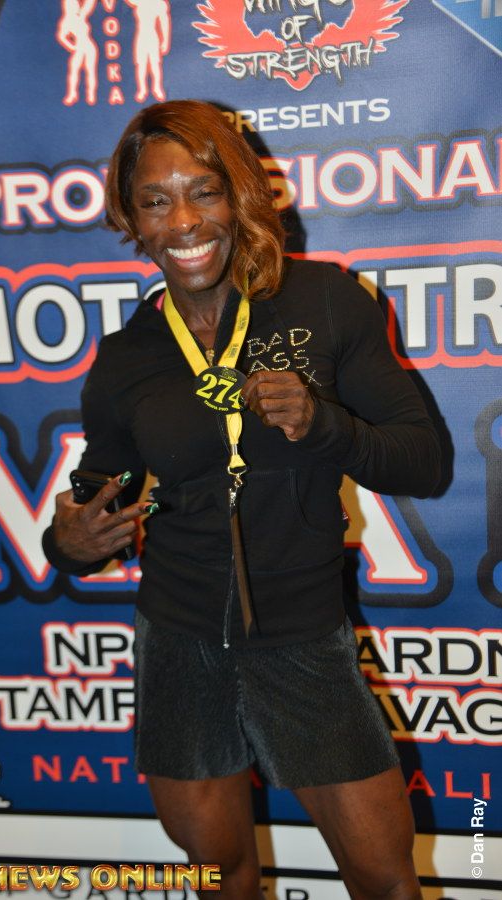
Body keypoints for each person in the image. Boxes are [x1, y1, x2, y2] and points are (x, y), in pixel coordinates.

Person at [43, 100, 440, 899]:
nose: (184, 221)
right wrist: (69, 544)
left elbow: (424, 463)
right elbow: (95, 498)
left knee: (383, 878)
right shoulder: (125, 356)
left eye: (204, 192)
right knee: (219, 876)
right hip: (178, 639)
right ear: (132, 220)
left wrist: (323, 426)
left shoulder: (323, 300)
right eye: (155, 201)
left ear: (239, 198)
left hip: (302, 636)